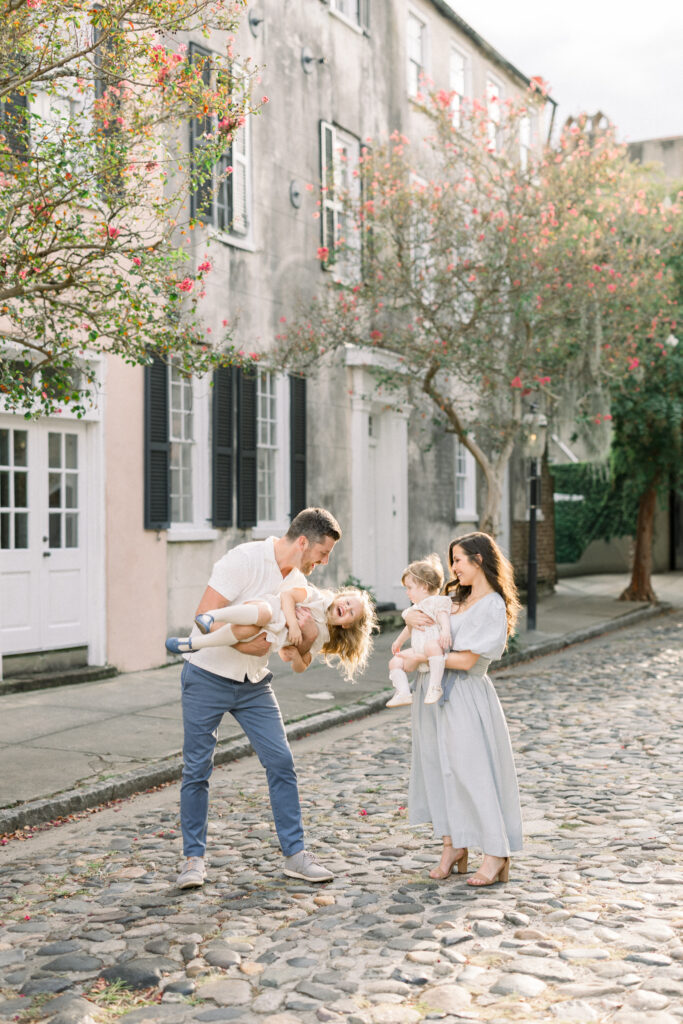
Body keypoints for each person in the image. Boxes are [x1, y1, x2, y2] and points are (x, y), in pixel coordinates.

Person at [175, 507, 343, 889]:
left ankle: (296, 855)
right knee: (197, 769)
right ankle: (193, 861)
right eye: (323, 553)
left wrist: (301, 642)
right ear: (304, 542)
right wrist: (247, 645)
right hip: (207, 675)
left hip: (254, 684)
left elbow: (293, 654)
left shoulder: (298, 583)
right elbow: (204, 616)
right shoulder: (244, 559)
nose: (324, 562)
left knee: (281, 760)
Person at [404, 532, 523, 887]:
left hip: (465, 694)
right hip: (432, 693)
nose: (453, 567)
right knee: (438, 769)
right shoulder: (454, 598)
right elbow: (421, 620)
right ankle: (452, 845)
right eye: (452, 560)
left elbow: (469, 660)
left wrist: (420, 656)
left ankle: (497, 852)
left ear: (479, 559)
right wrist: (412, 623)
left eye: (458, 560)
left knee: (473, 772)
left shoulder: (492, 605)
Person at [165, 582, 377, 682]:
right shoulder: (317, 598)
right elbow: (287, 596)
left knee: (246, 632)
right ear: (340, 597)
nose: (346, 608)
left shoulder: (322, 637)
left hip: (271, 635)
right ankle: (212, 616)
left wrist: (297, 654)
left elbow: (300, 666)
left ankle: (193, 644)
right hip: (269, 610)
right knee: (264, 614)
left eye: (351, 612)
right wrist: (294, 625)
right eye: (347, 602)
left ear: (347, 625)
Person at [386, 554, 452, 707]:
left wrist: (445, 631)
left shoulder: (435, 602)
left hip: (434, 649)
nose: (407, 592)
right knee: (395, 661)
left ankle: (435, 687)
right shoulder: (414, 609)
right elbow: (410, 628)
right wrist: (399, 641)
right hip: (418, 650)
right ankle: (403, 692)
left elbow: (442, 616)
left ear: (424, 587)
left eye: (409, 588)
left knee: (430, 645)